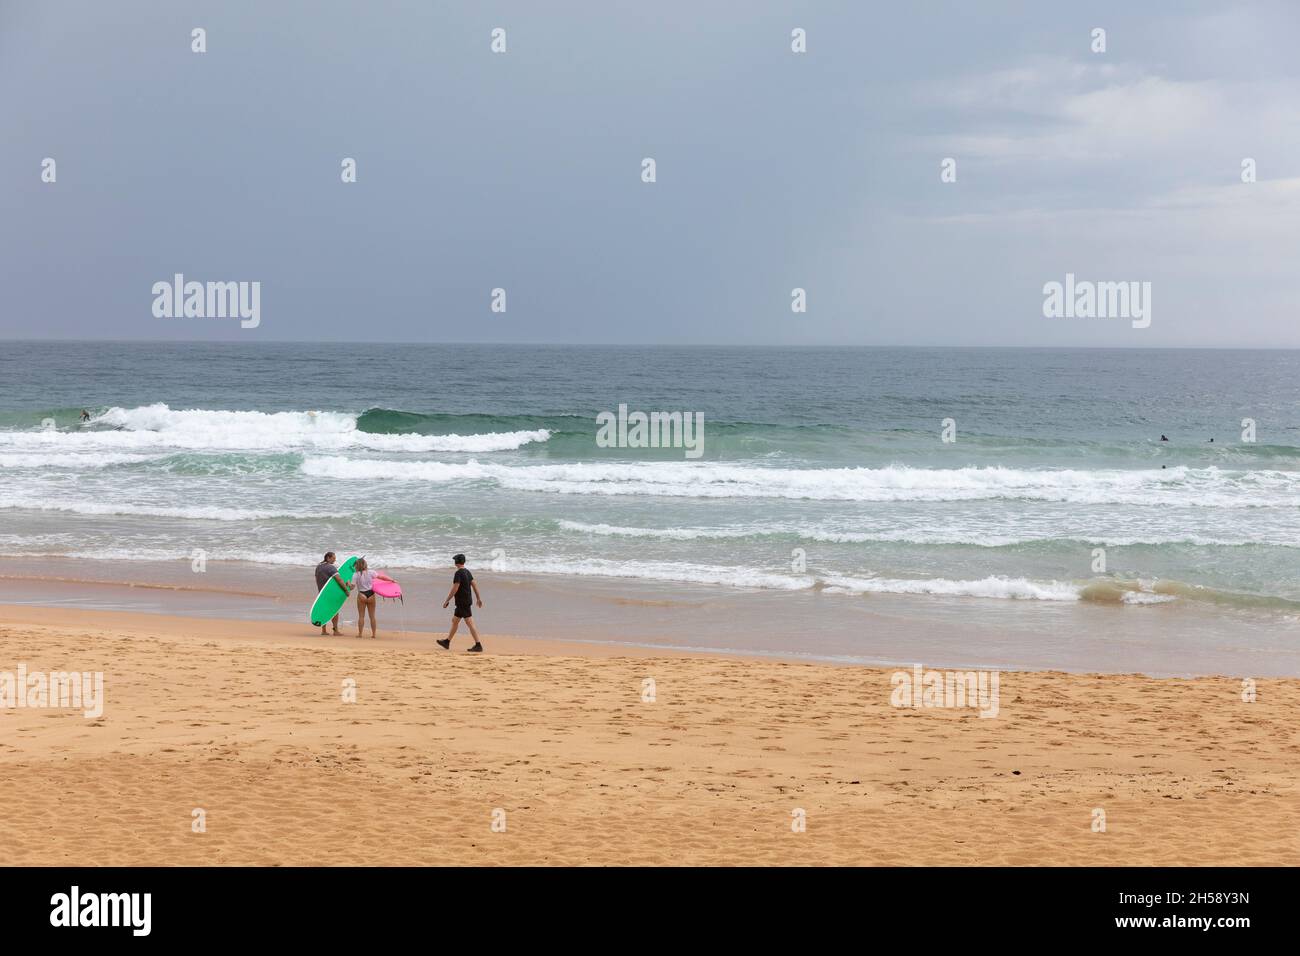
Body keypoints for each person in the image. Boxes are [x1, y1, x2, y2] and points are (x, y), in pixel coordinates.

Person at [437, 553, 483, 652]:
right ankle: (447, 642)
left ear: (456, 562)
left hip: (462, 602)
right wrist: (478, 598)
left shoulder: (458, 573)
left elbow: (455, 588)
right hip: (466, 601)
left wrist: (447, 600)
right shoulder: (467, 572)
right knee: (455, 621)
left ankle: (478, 645)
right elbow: (474, 585)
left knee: (469, 623)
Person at [352, 557, 396, 639]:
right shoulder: (371, 572)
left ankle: (360, 634)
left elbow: (352, 587)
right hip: (371, 594)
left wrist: (348, 584)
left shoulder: (355, 575)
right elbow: (382, 577)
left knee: (361, 616)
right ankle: (374, 634)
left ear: (357, 566)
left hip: (361, 594)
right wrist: (392, 580)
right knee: (372, 616)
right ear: (365, 564)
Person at [314, 551, 351, 636]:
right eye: (333, 558)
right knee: (334, 611)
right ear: (328, 558)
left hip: (322, 592)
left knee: (324, 610)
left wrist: (320, 590)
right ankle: (335, 630)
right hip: (331, 593)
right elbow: (339, 580)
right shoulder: (331, 568)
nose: (335, 560)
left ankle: (323, 630)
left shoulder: (318, 567)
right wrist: (346, 590)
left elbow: (317, 579)